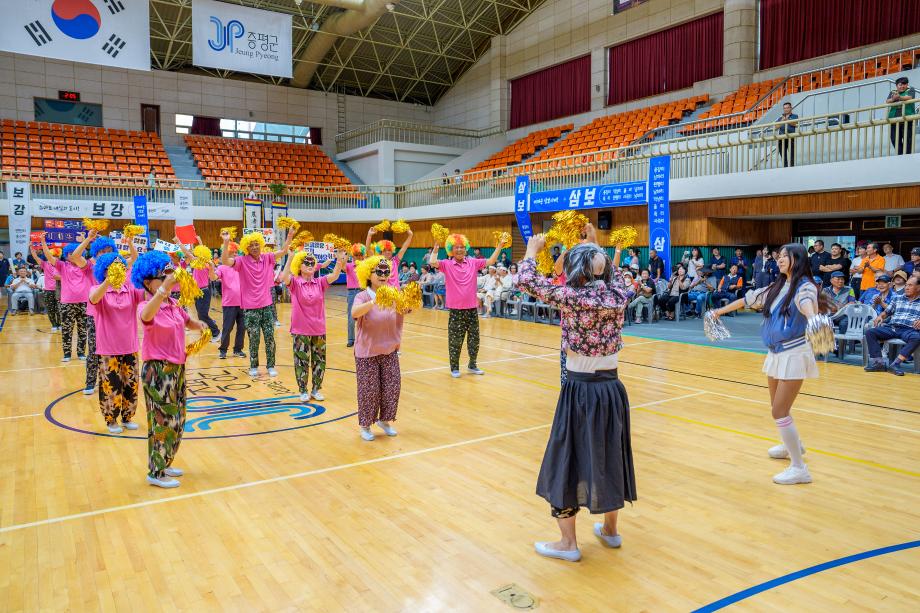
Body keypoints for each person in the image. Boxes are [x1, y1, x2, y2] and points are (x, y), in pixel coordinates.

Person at [516, 228, 635, 563]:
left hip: (580, 390)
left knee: (565, 459)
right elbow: (614, 273)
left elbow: (526, 281)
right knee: (609, 456)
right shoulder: (620, 293)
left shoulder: (572, 297)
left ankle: (568, 543)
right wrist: (595, 246)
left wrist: (531, 251)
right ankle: (610, 530)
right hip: (612, 390)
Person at [711, 244, 828, 485]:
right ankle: (792, 444)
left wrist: (812, 317)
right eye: (779, 256)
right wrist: (718, 312)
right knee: (778, 407)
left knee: (779, 411)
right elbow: (747, 299)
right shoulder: (777, 286)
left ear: (798, 259)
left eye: (785, 256)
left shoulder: (805, 286)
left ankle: (799, 468)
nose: (780, 259)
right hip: (775, 353)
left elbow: (807, 302)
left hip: (794, 353)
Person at [132, 251, 206, 488]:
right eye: (161, 276)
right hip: (158, 371)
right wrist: (164, 288)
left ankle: (165, 460)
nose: (167, 278)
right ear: (147, 282)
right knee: (161, 422)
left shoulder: (173, 304)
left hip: (177, 368)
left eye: (168, 274)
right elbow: (146, 316)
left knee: (177, 418)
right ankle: (156, 471)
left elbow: (188, 322)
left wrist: (200, 326)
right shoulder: (146, 306)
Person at [351, 256, 410, 441]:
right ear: (368, 275)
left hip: (389, 350)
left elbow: (406, 309)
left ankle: (385, 421)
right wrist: (373, 302)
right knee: (369, 391)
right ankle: (365, 425)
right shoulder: (362, 296)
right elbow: (354, 313)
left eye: (386, 272)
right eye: (379, 272)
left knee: (392, 387)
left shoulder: (393, 293)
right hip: (367, 352)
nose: (383, 275)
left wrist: (411, 301)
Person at [221, 229, 294, 377]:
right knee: (254, 339)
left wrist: (290, 235)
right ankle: (253, 366)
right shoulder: (241, 261)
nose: (254, 247)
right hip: (250, 308)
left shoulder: (267, 258)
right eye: (251, 245)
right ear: (246, 247)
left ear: (261, 245)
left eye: (256, 244)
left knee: (270, 338)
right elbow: (225, 261)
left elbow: (283, 251)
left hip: (266, 306)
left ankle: (271, 366)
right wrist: (226, 242)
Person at [429, 233, 503, 377]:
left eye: (462, 247)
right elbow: (432, 262)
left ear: (466, 248)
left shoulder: (473, 262)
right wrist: (436, 246)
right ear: (451, 249)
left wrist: (499, 246)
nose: (459, 249)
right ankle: (454, 368)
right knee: (455, 340)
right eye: (456, 247)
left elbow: (491, 260)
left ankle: (472, 365)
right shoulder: (447, 264)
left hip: (472, 308)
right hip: (456, 310)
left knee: (474, 339)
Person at [89, 252, 145, 434]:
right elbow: (94, 299)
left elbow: (147, 294)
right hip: (108, 348)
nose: (117, 270)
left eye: (120, 266)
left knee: (131, 384)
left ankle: (128, 417)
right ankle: (111, 420)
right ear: (104, 270)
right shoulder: (97, 289)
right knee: (110, 386)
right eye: (113, 267)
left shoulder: (130, 289)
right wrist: (108, 281)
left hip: (130, 346)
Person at [281, 248, 346, 402]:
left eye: (312, 262)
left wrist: (339, 260)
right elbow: (284, 277)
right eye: (306, 262)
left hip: (319, 329)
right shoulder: (295, 282)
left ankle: (316, 389)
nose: (310, 265)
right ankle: (303, 390)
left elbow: (334, 275)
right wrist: (290, 258)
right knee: (301, 361)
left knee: (319, 361)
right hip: (300, 330)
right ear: (299, 265)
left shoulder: (320, 282)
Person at [42, 233, 92, 368]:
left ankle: (81, 352)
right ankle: (67, 354)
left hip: (84, 303)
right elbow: (49, 257)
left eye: (74, 253)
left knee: (83, 329)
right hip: (67, 303)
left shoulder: (86, 266)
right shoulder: (62, 266)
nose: (72, 255)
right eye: (69, 253)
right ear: (66, 255)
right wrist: (43, 242)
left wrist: (86, 240)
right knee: (66, 329)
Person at [864, 275, 920, 376]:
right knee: (870, 332)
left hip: (909, 330)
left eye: (910, 285)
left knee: (917, 337)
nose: (906, 287)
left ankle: (895, 364)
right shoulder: (897, 298)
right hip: (893, 327)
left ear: (918, 287)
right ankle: (879, 363)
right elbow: (887, 312)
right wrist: (880, 316)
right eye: (906, 285)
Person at [177, 236, 221, 342]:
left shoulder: (205, 264)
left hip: (204, 292)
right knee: (200, 315)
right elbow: (196, 251)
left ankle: (216, 332)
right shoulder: (198, 262)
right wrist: (199, 241)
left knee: (203, 315)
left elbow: (187, 252)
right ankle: (208, 333)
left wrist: (178, 242)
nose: (196, 254)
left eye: (199, 253)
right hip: (198, 292)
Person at [214, 243, 246, 359]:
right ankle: (223, 350)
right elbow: (214, 277)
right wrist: (210, 269)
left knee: (242, 328)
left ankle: (238, 349)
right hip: (229, 304)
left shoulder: (241, 266)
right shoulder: (222, 267)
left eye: (236, 252)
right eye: (232, 252)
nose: (235, 254)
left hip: (243, 303)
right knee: (227, 328)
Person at [31, 245, 60, 330]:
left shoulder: (61, 265)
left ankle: (59, 324)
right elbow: (36, 258)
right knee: (50, 309)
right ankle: (54, 324)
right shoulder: (45, 264)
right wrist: (32, 249)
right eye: (53, 256)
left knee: (59, 309)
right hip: (48, 290)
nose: (54, 257)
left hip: (60, 290)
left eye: (56, 256)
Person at [886, 76, 916, 155]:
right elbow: (887, 101)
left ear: (907, 85)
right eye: (900, 84)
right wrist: (893, 99)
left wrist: (899, 97)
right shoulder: (893, 92)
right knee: (894, 139)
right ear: (896, 86)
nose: (902, 86)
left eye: (904, 84)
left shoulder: (910, 90)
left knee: (908, 139)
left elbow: (910, 97)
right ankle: (900, 155)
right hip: (894, 120)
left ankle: (908, 155)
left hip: (907, 119)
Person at [345, 243, 367, 348]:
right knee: (351, 317)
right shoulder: (349, 266)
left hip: (363, 292)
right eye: (356, 255)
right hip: (352, 293)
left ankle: (363, 339)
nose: (358, 257)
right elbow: (341, 265)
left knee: (365, 317)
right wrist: (344, 253)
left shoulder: (366, 266)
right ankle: (351, 339)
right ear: (353, 255)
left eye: (360, 255)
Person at [777, 102, 798, 167]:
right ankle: (785, 169)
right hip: (781, 138)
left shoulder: (795, 116)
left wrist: (787, 120)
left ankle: (792, 168)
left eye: (787, 108)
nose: (786, 109)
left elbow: (796, 124)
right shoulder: (780, 118)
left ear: (791, 108)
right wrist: (782, 120)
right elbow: (776, 127)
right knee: (783, 157)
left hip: (791, 137)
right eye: (784, 108)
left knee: (792, 156)